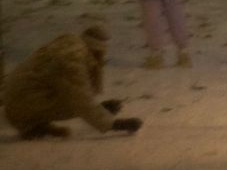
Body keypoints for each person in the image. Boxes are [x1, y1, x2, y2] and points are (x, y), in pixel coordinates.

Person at [3, 24, 143, 139]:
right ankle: (31, 124)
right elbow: (79, 99)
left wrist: (99, 109)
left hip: (18, 99)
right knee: (75, 99)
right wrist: (113, 124)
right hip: (22, 104)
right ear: (97, 50)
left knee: (70, 95)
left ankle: (34, 125)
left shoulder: (72, 45)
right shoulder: (71, 60)